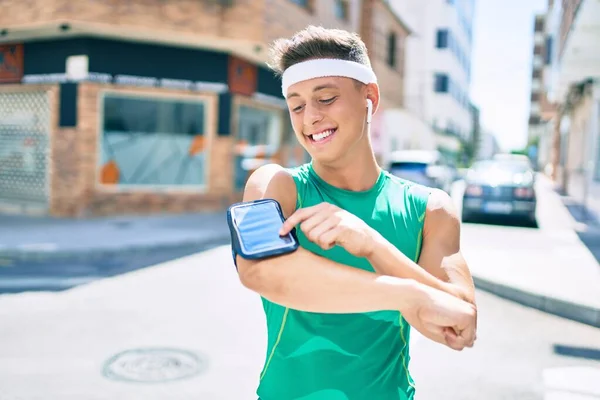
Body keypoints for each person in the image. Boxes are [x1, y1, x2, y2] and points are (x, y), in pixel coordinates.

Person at [235, 25, 477, 400]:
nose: (310, 117)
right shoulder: (274, 185)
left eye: (326, 98)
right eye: (296, 105)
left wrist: (372, 246)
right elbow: (261, 271)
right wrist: (408, 294)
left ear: (370, 97)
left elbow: (461, 321)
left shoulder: (431, 208)